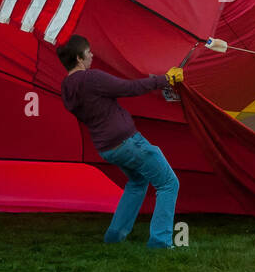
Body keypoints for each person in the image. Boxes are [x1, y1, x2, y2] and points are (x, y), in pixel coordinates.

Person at [58, 35, 185, 248]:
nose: (92, 55)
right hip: (128, 143)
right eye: (88, 52)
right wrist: (165, 80)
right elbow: (129, 88)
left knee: (137, 182)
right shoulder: (91, 78)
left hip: (107, 148)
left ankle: (114, 237)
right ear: (79, 58)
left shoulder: (66, 88)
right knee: (168, 183)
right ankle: (160, 242)